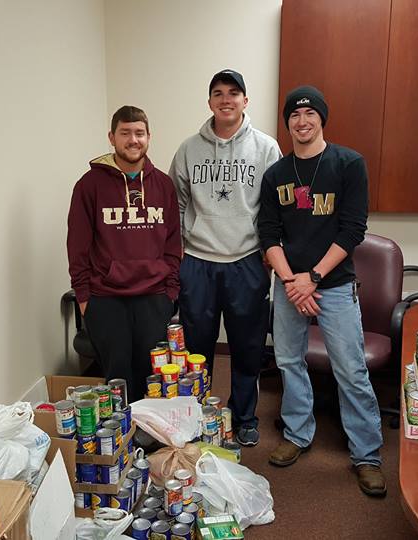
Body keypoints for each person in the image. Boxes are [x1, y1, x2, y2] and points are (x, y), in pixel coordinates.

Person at [257, 85, 386, 496]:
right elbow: (268, 233)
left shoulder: (348, 164)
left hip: (333, 286)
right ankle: (297, 433)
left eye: (310, 114)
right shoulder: (276, 173)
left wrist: (311, 277)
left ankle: (366, 455)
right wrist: (293, 282)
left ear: (321, 119)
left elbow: (353, 230)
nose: (302, 121)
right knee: (289, 361)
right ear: (288, 123)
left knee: (351, 369)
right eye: (294, 115)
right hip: (291, 286)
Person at [169, 69, 281, 446]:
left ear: (245, 101)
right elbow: (176, 202)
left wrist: (268, 253)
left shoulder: (266, 148)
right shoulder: (188, 149)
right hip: (198, 261)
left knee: (247, 347)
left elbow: (273, 209)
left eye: (234, 93)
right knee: (196, 349)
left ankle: (244, 416)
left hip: (246, 260)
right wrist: (182, 251)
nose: (226, 99)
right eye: (218, 93)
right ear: (210, 102)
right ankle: (196, 417)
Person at [67, 105, 181, 402]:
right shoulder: (88, 186)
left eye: (139, 133)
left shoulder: (164, 185)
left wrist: (170, 291)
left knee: (153, 376)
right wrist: (83, 298)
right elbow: (77, 245)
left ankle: (150, 439)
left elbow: (173, 242)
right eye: (125, 133)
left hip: (154, 295)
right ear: (112, 137)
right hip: (106, 298)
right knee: (117, 379)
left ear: (149, 137)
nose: (133, 140)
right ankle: (121, 444)